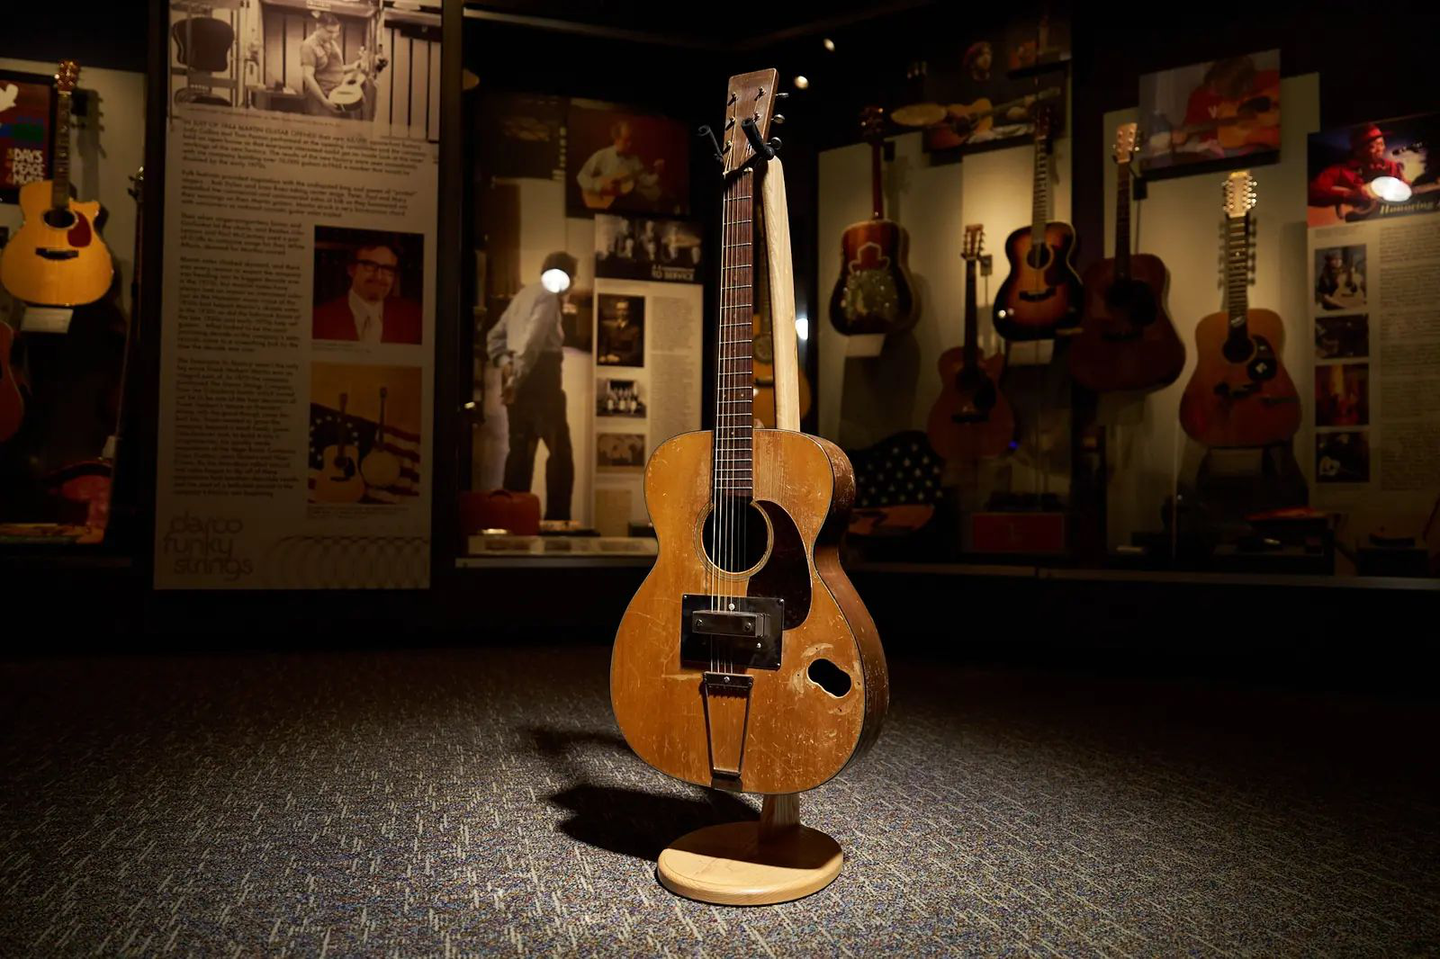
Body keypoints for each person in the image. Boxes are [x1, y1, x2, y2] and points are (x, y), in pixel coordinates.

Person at [485, 253, 577, 521]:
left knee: (520, 451)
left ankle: (513, 519)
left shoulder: (524, 294)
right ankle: (557, 520)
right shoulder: (548, 296)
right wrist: (516, 377)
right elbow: (532, 343)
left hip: (521, 377)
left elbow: (494, 337)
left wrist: (506, 364)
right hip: (541, 381)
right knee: (560, 453)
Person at [313, 239, 422, 343]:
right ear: (351, 269)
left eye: (388, 269)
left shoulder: (413, 318)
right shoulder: (319, 319)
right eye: (370, 266)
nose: (379, 277)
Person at [1308, 125, 1409, 210]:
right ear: (1358, 151)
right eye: (1373, 146)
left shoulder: (1392, 166)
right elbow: (1310, 193)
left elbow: (1405, 190)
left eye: (1381, 144)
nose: (1380, 149)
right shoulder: (1338, 171)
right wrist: (1348, 194)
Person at [576, 121, 665, 209]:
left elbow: (646, 181)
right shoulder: (602, 155)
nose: (630, 144)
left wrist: (657, 173)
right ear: (616, 139)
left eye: (631, 140)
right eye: (626, 140)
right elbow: (581, 177)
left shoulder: (634, 160)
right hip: (607, 206)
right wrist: (601, 186)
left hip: (627, 203)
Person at [300, 12, 364, 118]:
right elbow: (307, 76)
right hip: (321, 99)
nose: (333, 36)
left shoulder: (331, 43)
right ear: (318, 27)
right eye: (330, 32)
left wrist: (353, 66)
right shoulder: (308, 45)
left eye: (336, 32)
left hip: (337, 94)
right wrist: (324, 101)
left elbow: (334, 70)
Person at [598, 298, 642, 366]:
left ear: (629, 311)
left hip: (625, 364)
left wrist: (619, 359)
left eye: (624, 310)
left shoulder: (635, 330)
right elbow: (604, 345)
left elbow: (636, 352)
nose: (621, 313)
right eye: (619, 310)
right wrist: (602, 356)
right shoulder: (610, 328)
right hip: (608, 362)